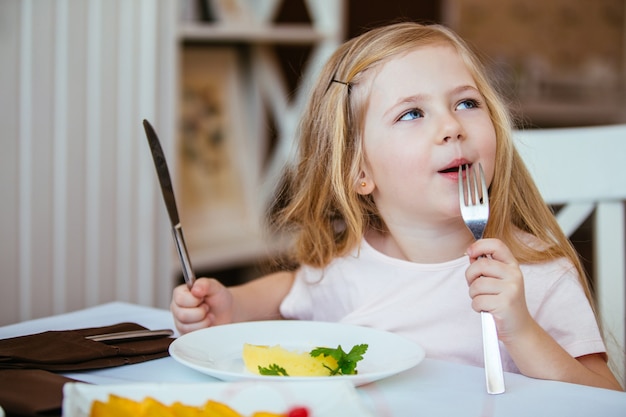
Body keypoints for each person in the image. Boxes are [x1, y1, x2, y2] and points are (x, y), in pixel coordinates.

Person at [171, 22, 622, 391]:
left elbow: (605, 398)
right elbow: (292, 289)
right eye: (412, 113)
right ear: (358, 171)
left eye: (466, 103)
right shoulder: (348, 264)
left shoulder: (535, 273)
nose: (451, 126)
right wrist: (231, 305)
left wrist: (520, 328)